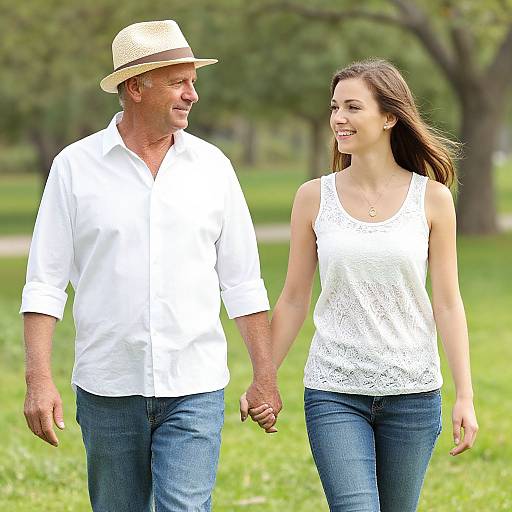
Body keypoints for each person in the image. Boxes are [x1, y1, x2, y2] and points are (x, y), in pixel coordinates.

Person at [21, 19, 281, 512]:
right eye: (178, 82)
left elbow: (243, 283)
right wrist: (38, 379)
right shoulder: (73, 168)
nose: (192, 95)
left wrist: (264, 376)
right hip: (108, 386)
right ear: (135, 87)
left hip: (195, 386)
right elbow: (44, 284)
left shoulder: (213, 168)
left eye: (193, 82)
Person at [241, 59, 478, 511]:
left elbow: (448, 303)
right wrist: (262, 376)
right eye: (335, 108)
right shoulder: (313, 197)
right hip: (334, 391)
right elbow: (293, 299)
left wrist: (464, 395)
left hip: (412, 393)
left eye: (352, 107)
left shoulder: (432, 199)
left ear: (390, 117)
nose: (339, 119)